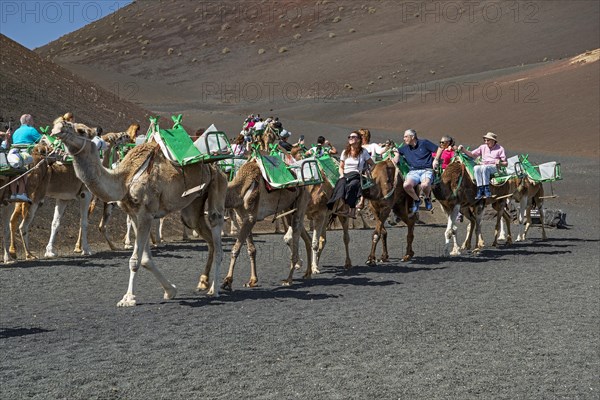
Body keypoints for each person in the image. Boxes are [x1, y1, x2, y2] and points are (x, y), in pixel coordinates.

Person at [327, 131, 375, 219]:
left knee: (353, 185)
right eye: (349, 137)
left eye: (353, 137)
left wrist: (367, 173)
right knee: (341, 184)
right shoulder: (345, 152)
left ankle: (350, 210)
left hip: (357, 174)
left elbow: (372, 164)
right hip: (346, 174)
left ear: (359, 139)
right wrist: (341, 174)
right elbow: (341, 167)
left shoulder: (363, 152)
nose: (351, 138)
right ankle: (339, 206)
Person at [393, 129, 441, 213]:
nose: (404, 139)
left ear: (412, 137)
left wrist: (436, 160)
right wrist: (396, 155)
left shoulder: (424, 143)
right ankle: (417, 200)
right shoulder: (405, 148)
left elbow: (439, 149)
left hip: (426, 170)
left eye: (406, 136)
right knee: (406, 185)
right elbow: (395, 150)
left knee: (425, 185)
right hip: (413, 172)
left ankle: (427, 198)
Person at [457, 132, 507, 200]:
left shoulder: (500, 149)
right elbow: (472, 154)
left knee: (484, 168)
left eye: (488, 140)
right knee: (476, 168)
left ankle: (487, 190)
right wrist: (463, 149)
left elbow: (506, 163)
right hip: (484, 166)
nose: (486, 142)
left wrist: (500, 163)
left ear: (493, 141)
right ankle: (480, 189)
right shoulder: (482, 147)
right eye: (485, 140)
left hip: (494, 167)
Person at [8, 114, 41, 203]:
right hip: (26, 156)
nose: (33, 122)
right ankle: (21, 193)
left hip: (14, 157)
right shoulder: (31, 130)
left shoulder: (16, 132)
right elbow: (41, 140)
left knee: (14, 173)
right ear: (28, 121)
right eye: (32, 120)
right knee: (24, 172)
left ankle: (13, 194)